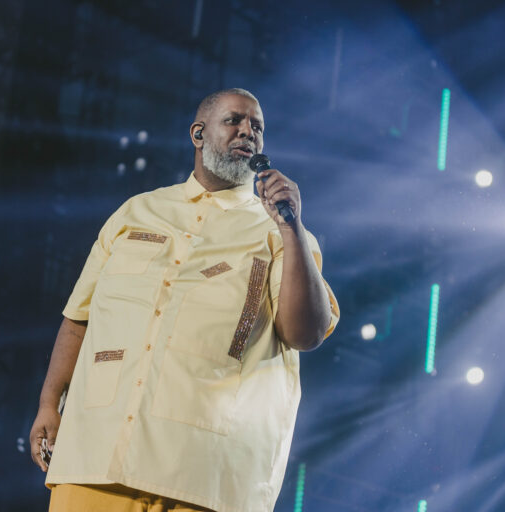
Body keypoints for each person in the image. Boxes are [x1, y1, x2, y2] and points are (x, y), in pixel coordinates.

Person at [30, 88, 340, 512]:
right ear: (198, 133)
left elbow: (306, 334)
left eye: (258, 127)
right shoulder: (136, 212)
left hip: (202, 475)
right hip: (95, 458)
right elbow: (78, 319)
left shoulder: (279, 232)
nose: (248, 131)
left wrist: (292, 227)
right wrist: (49, 404)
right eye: (234, 120)